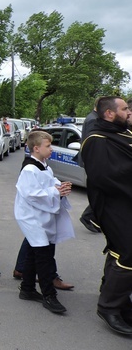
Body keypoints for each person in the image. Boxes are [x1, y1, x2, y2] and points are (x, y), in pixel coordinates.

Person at [80, 96, 132, 335]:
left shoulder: (122, 134)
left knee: (120, 251)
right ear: (110, 114)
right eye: (124, 109)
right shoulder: (96, 140)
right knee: (128, 253)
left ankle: (119, 302)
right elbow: (105, 176)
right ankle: (108, 307)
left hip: (126, 204)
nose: (128, 112)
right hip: (112, 206)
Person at [14, 130, 74, 314]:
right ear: (36, 148)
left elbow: (50, 183)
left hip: (42, 216)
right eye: (48, 146)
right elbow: (32, 195)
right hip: (32, 218)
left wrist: (60, 186)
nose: (51, 149)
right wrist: (56, 192)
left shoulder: (44, 165)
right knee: (44, 256)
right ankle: (49, 295)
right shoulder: (29, 169)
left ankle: (27, 289)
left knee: (33, 253)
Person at [77, 98, 102, 233]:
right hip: (93, 161)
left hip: (92, 161)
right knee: (99, 192)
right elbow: (92, 142)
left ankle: (93, 218)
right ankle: (88, 217)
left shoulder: (92, 117)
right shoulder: (93, 119)